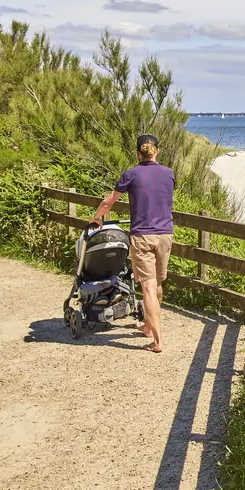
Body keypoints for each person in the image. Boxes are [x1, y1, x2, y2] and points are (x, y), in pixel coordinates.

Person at [90, 133, 175, 354]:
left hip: (143, 235)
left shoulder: (131, 174)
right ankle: (148, 326)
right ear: (157, 151)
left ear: (138, 153)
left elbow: (109, 201)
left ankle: (157, 341)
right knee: (157, 284)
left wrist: (96, 217)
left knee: (147, 287)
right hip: (165, 234)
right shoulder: (169, 174)